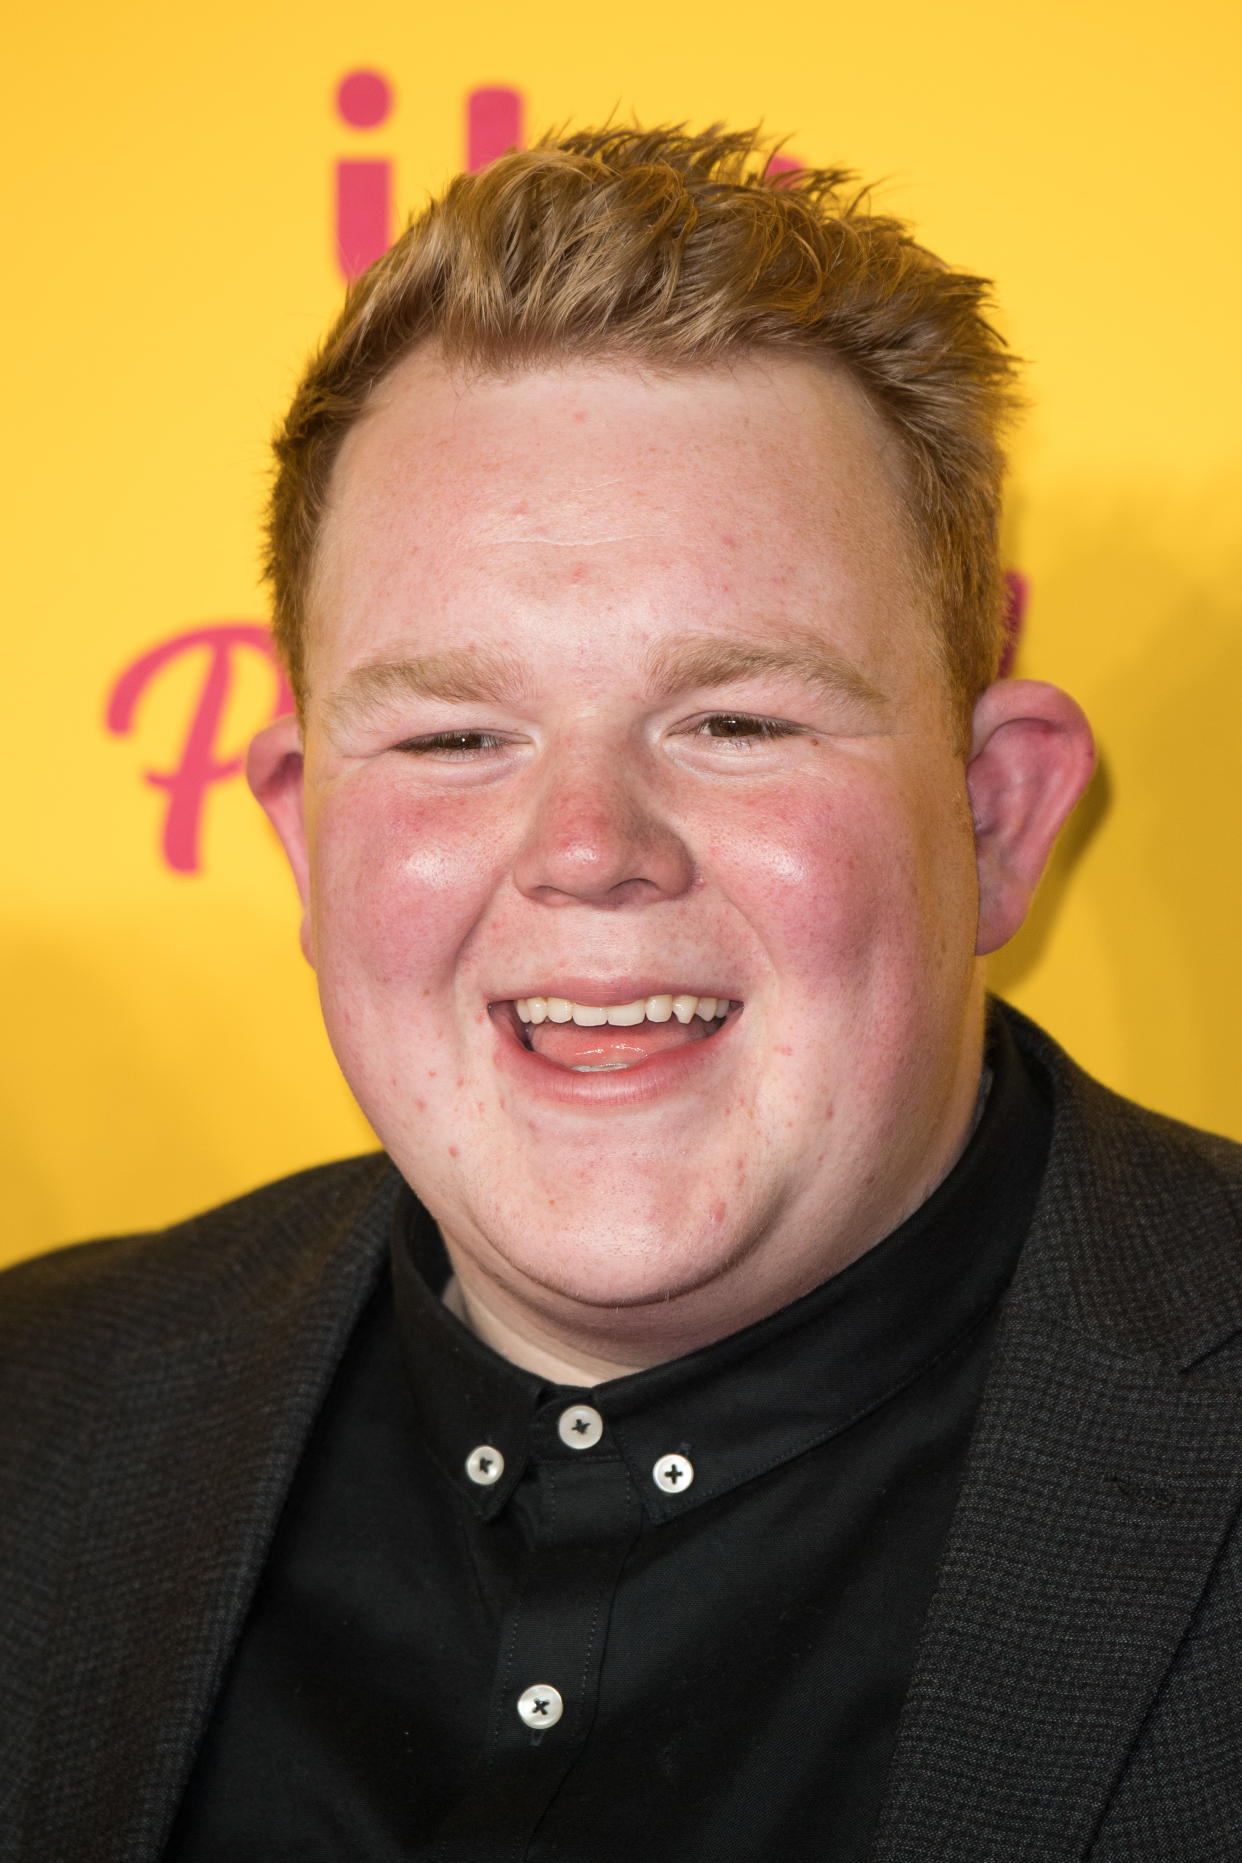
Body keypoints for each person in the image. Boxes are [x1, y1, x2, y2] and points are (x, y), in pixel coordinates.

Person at [4, 125, 1241, 1863]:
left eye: (735, 721)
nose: (587, 850)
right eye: (453, 736)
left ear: (995, 815)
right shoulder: (32, 1417)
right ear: (304, 837)